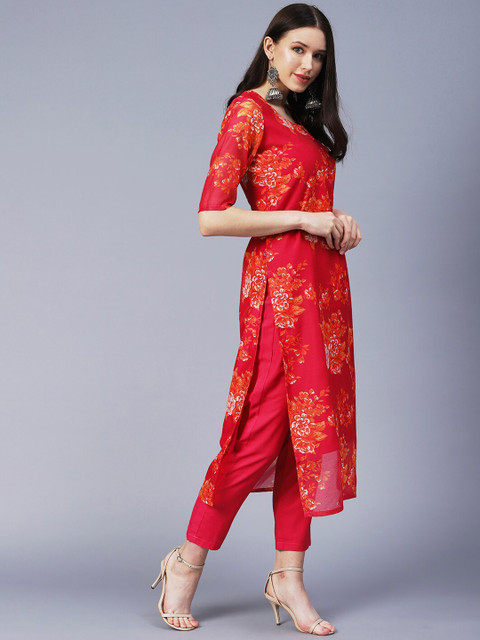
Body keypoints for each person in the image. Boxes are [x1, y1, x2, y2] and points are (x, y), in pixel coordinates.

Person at [151, 3, 361, 635]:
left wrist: (337, 224)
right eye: (298, 49)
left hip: (324, 292)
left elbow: (311, 209)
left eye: (318, 55)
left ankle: (288, 576)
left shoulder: (306, 124)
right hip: (279, 294)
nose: (308, 64)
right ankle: (187, 559)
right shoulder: (249, 113)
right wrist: (303, 219)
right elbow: (210, 217)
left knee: (307, 436)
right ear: (270, 48)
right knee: (257, 435)